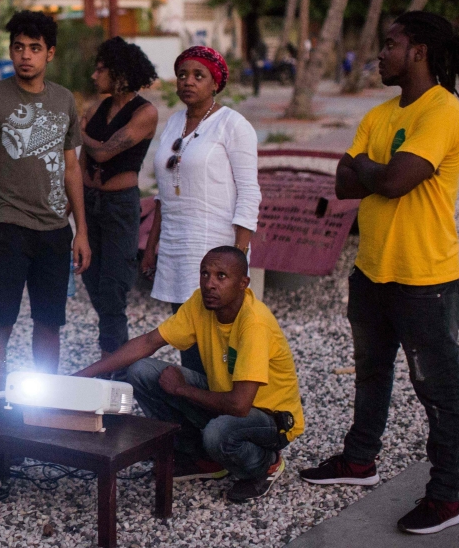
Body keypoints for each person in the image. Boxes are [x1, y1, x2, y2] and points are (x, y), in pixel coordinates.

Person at [299, 11, 459, 535]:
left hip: (425, 278)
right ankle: (359, 461)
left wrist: (372, 171)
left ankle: (445, 497)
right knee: (371, 374)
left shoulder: (442, 111)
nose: (380, 54)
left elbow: (394, 180)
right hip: (371, 271)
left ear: (418, 51)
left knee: (438, 392)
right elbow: (343, 185)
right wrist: (377, 174)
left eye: (390, 45)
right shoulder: (378, 114)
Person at [75, 246, 305, 502]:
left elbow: (240, 405)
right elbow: (149, 342)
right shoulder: (200, 303)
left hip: (270, 418)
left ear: (243, 283)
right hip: (225, 397)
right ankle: (203, 458)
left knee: (218, 433)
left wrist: (182, 390)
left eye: (221, 276)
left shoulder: (254, 324)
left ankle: (266, 464)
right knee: (141, 371)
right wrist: (85, 374)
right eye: (204, 274)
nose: (210, 284)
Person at [0, 10, 91, 396]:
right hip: (5, 228)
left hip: (54, 230)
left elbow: (72, 168)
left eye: (35, 48)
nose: (25, 56)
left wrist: (81, 230)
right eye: (19, 47)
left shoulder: (64, 100)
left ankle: (43, 406)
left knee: (49, 323)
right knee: (0, 322)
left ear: (50, 53)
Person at [141, 46, 261, 376]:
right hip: (177, 248)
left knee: (218, 342)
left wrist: (238, 254)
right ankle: (194, 411)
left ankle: (223, 415)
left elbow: (250, 192)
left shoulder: (232, 125)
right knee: (187, 334)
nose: (188, 82)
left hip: (215, 247)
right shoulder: (174, 122)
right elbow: (165, 194)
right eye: (182, 75)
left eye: (198, 75)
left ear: (215, 82)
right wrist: (152, 248)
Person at [79, 37, 159, 365]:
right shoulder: (96, 108)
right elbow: (84, 160)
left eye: (101, 70)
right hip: (90, 202)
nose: (95, 76)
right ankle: (116, 355)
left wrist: (73, 130)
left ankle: (114, 368)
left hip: (119, 207)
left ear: (120, 73)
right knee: (91, 279)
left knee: (113, 288)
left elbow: (103, 150)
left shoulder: (145, 112)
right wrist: (73, 210)